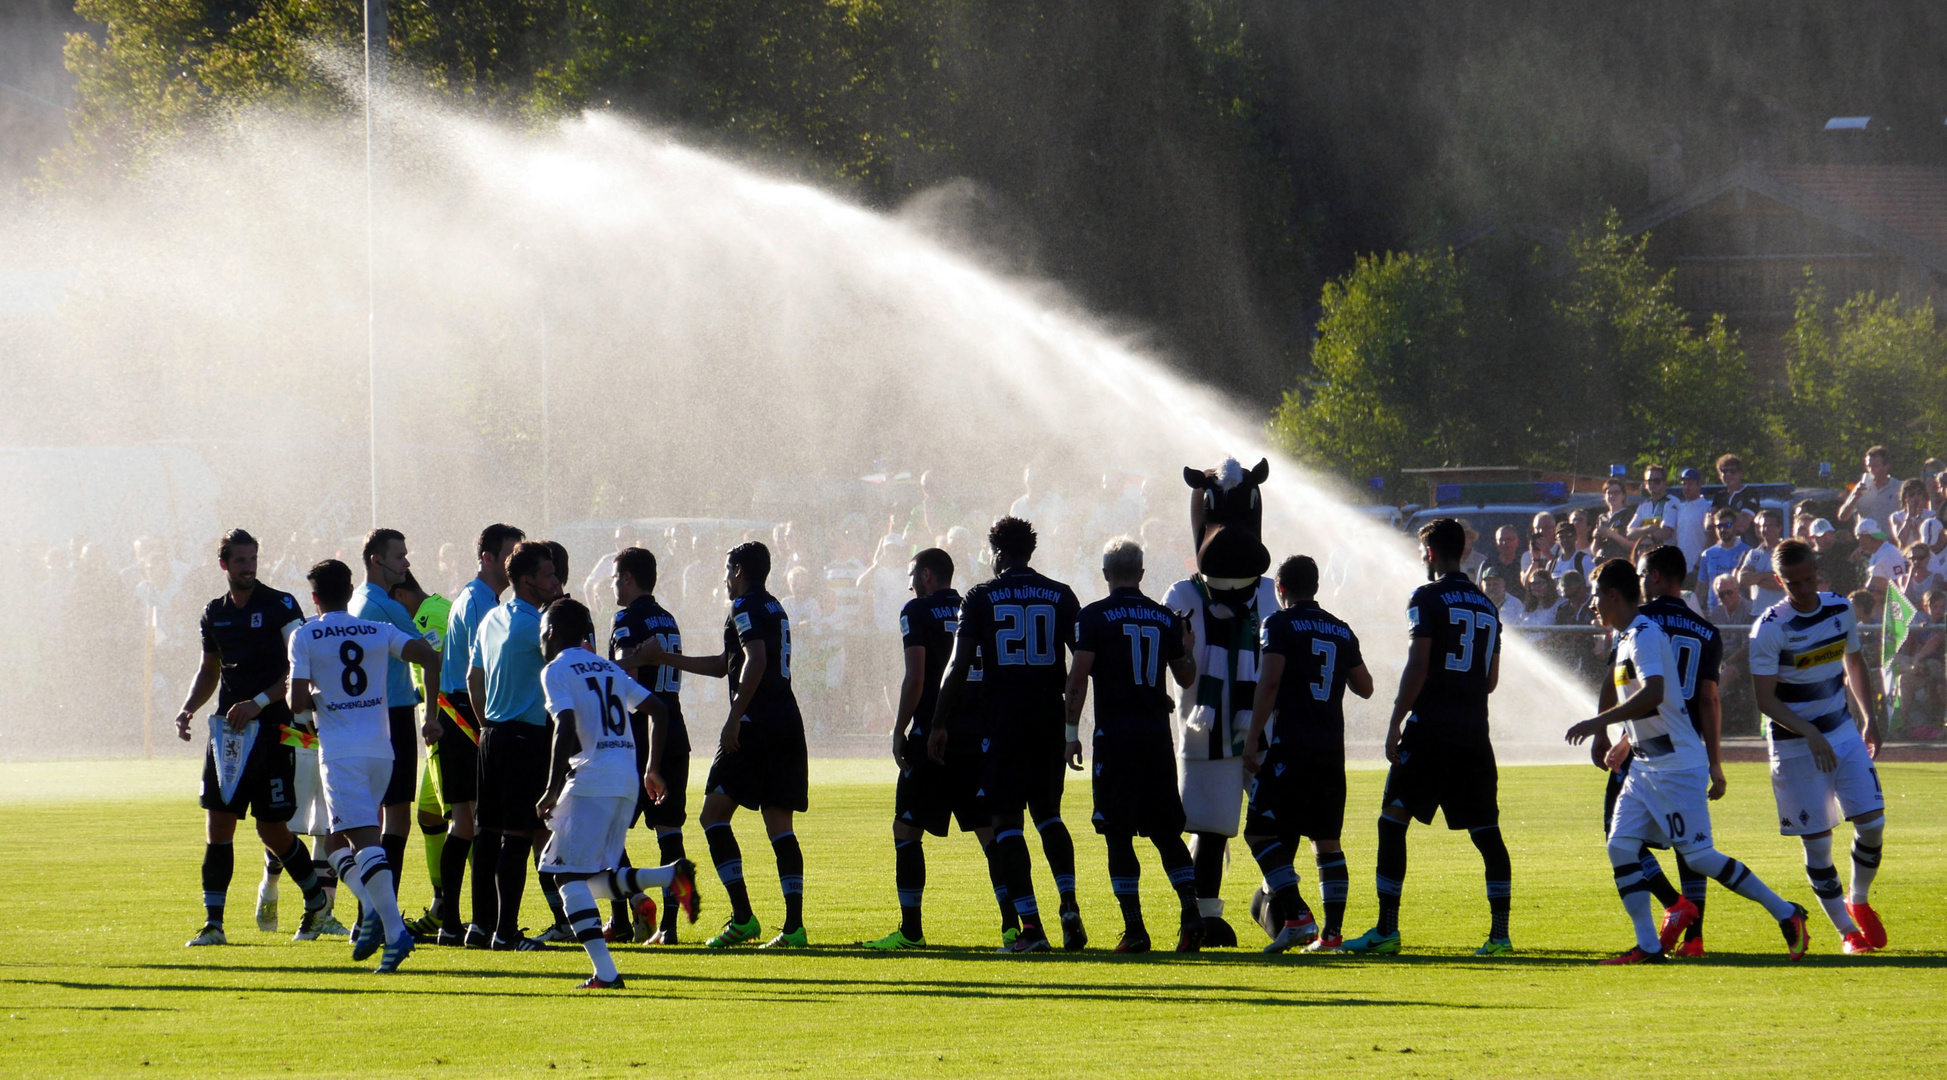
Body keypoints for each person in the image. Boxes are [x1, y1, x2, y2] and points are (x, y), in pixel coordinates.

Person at [1566, 558, 1811, 964]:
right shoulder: (1628, 635)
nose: (1592, 605)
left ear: (1612, 595)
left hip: (1677, 765)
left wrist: (1598, 722)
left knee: (1699, 857)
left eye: (1596, 596)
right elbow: (1636, 698)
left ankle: (1787, 913)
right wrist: (1619, 737)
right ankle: (1648, 944)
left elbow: (1655, 693)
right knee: (1620, 846)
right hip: (1646, 766)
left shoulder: (1644, 633)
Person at [1344, 519, 1514, 956]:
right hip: (1475, 733)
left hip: (1432, 729)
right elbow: (1490, 680)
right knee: (1487, 833)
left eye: (1423, 553)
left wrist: (1396, 718)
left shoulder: (1425, 597)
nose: (1421, 559)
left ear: (1432, 553)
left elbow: (1418, 664)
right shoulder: (1488, 605)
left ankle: (1386, 929)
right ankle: (1499, 935)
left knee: (1392, 820)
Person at [635, 542, 811, 950]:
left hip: (753, 724)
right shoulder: (775, 607)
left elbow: (756, 660)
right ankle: (794, 927)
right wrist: (666, 657)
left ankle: (744, 918)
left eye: (726, 571)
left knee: (713, 816)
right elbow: (724, 664)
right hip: (786, 722)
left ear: (737, 571)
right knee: (779, 825)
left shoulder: (743, 606)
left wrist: (734, 717)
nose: (724, 579)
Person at [932, 517, 1082, 954]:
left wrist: (939, 721)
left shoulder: (981, 595)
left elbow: (959, 665)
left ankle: (1032, 928)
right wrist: (1074, 724)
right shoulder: (1060, 594)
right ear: (1029, 552)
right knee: (1050, 816)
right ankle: (1069, 906)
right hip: (1048, 717)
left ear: (996, 551)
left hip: (1002, 721)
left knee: (1006, 821)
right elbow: (1084, 663)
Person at [533, 597, 699, 989]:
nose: (538, 641)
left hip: (591, 781)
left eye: (540, 633)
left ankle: (606, 973)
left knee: (565, 878)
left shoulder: (556, 670)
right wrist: (652, 768)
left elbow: (565, 725)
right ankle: (669, 875)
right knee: (582, 875)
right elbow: (658, 709)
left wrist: (552, 789)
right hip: (625, 779)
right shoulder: (607, 667)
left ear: (552, 634)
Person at [287, 558, 443, 972]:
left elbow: (298, 703)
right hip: (382, 751)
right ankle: (372, 908)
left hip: (341, 752)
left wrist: (317, 694)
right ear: (349, 589)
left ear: (315, 597)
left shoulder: (305, 635)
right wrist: (431, 716)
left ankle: (394, 931)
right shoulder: (377, 630)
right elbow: (430, 657)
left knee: (365, 844)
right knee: (338, 843)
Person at [175, 529, 329, 946]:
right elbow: (210, 669)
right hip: (228, 733)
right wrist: (189, 707)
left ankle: (316, 901)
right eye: (240, 561)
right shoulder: (213, 612)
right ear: (223, 565)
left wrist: (259, 701)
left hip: (273, 731)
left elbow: (302, 666)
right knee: (219, 824)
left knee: (272, 831)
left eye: (253, 559)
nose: (248, 567)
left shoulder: (279, 605)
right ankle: (214, 924)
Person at [1749, 539, 1889, 953]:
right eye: (1794, 583)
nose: (1805, 588)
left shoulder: (1840, 608)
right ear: (1779, 581)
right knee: (1819, 844)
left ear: (1818, 569)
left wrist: (1869, 718)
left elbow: (1855, 662)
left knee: (1873, 823)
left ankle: (1858, 900)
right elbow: (1764, 699)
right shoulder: (1770, 628)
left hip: (1843, 732)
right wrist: (1808, 733)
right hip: (1794, 746)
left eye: (1810, 578)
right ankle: (1847, 932)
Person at [1062, 539, 1201, 953]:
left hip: (1116, 738)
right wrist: (1187, 648)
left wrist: (1070, 733)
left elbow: (1078, 678)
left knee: (1118, 834)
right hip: (1156, 738)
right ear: (1141, 573)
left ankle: (1136, 929)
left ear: (1105, 573)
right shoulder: (1163, 618)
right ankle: (1191, 916)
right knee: (1166, 833)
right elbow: (1187, 678)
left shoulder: (1093, 616)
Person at [867, 547, 1007, 950]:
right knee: (990, 833)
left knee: (906, 830)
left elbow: (916, 677)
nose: (908, 582)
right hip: (976, 736)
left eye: (912, 574)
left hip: (932, 734)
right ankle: (1014, 926)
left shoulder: (916, 611)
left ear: (927, 575)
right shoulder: (973, 606)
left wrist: (898, 729)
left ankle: (911, 931)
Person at [1593, 545, 1725, 956]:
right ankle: (1695, 936)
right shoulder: (1707, 630)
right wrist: (1716, 763)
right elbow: (1707, 699)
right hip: (1686, 744)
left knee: (1619, 834)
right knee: (1693, 843)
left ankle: (1673, 904)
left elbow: (1619, 679)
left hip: (1645, 744)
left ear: (1652, 577)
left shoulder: (1639, 623)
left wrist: (1605, 730)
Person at [1242, 555, 1373, 954]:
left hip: (1292, 745)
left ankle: (1298, 915)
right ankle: (1331, 936)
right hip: (1331, 747)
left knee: (1259, 830)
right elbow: (1365, 687)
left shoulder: (1278, 623)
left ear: (1280, 589)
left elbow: (1269, 681)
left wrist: (1251, 741)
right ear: (1316, 587)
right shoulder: (1340, 629)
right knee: (1326, 838)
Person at [467, 540, 561, 951]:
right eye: (549, 575)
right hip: (526, 737)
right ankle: (506, 933)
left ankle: (479, 927)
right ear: (527, 581)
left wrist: (486, 721)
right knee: (519, 835)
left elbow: (473, 677)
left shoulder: (491, 618)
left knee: (486, 834)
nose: (556, 582)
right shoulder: (539, 627)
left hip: (491, 736)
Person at [346, 529, 442, 928]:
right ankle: (383, 916)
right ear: (375, 560)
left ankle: (368, 913)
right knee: (397, 818)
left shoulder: (355, 600)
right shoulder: (387, 607)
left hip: (362, 716)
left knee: (372, 820)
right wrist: (433, 715)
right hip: (396, 713)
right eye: (399, 556)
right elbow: (428, 657)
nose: (406, 563)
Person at [607, 546, 692, 945]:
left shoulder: (627, 617)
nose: (612, 586)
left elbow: (630, 669)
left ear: (627, 578)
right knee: (669, 832)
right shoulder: (668, 618)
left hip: (642, 737)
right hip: (675, 729)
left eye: (614, 577)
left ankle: (633, 905)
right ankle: (669, 928)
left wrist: (594, 666)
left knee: (608, 832)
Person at [443, 523, 522, 946]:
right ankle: (468, 921)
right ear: (488, 558)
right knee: (476, 823)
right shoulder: (478, 603)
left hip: (464, 710)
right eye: (510, 554)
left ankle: (457, 921)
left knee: (469, 824)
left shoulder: (482, 599)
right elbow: (480, 671)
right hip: (468, 712)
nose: (515, 563)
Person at [388, 571, 453, 938]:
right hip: (435, 729)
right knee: (430, 816)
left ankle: (476, 910)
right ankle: (443, 903)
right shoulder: (430, 610)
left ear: (400, 594)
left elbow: (441, 662)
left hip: (446, 725)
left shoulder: (430, 614)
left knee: (462, 819)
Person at [1836, 446, 1901, 527]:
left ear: (1886, 466)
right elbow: (1842, 517)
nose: (1871, 470)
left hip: (1890, 538)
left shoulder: (1899, 487)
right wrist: (1854, 498)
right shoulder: (1860, 488)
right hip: (1867, 538)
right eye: (1868, 466)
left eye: (1875, 466)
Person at [1696, 509, 1750, 606]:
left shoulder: (1748, 552)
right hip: (1714, 612)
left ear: (1735, 526)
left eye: (1727, 526)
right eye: (1719, 526)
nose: (1722, 529)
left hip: (1740, 612)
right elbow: (1701, 587)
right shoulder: (1708, 554)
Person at [1737, 510, 1787, 611]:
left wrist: (1755, 579)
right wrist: (1767, 575)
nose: (1765, 529)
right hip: (1757, 612)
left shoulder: (1787, 552)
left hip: (1781, 613)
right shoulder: (1754, 553)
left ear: (1779, 528)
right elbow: (1742, 579)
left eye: (1769, 525)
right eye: (1762, 526)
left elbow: (1781, 583)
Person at [1712, 454, 1762, 547]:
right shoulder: (1719, 495)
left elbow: (1742, 526)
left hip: (1747, 549)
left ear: (1740, 473)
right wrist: (1735, 516)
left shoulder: (1750, 493)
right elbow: (1709, 522)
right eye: (1724, 471)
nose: (1728, 474)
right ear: (1720, 475)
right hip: (1723, 550)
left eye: (1732, 471)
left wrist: (1721, 520)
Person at [1672, 467, 1713, 575]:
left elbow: (1711, 539)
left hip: (1698, 569)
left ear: (1698, 485)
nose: (1686, 487)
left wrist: (1699, 564)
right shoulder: (1681, 508)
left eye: (1690, 484)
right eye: (1684, 484)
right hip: (1681, 569)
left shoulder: (1706, 508)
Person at [1626, 464, 1677, 547]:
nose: (1652, 484)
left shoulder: (1672, 502)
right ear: (1645, 484)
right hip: (1645, 555)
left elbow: (1665, 533)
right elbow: (1629, 533)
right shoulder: (1644, 505)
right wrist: (1649, 528)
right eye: (1649, 481)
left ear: (1664, 482)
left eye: (1657, 481)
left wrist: (1641, 535)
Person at [1853, 519, 1904, 595]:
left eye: (1862, 538)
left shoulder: (1890, 552)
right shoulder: (1875, 555)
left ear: (1872, 537)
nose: (1860, 542)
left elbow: (1899, 581)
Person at [1482, 526, 1529, 607]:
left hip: (1523, 610)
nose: (1504, 543)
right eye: (1501, 540)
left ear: (1517, 542)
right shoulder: (1487, 564)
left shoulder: (1525, 562)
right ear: (1496, 542)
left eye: (1509, 539)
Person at [1592, 478, 1634, 563]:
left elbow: (1634, 546)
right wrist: (1596, 537)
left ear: (1623, 495)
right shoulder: (1602, 518)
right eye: (1609, 493)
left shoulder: (1630, 515)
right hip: (1603, 563)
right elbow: (1594, 550)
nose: (1612, 496)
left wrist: (1612, 534)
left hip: (1622, 562)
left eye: (1616, 493)